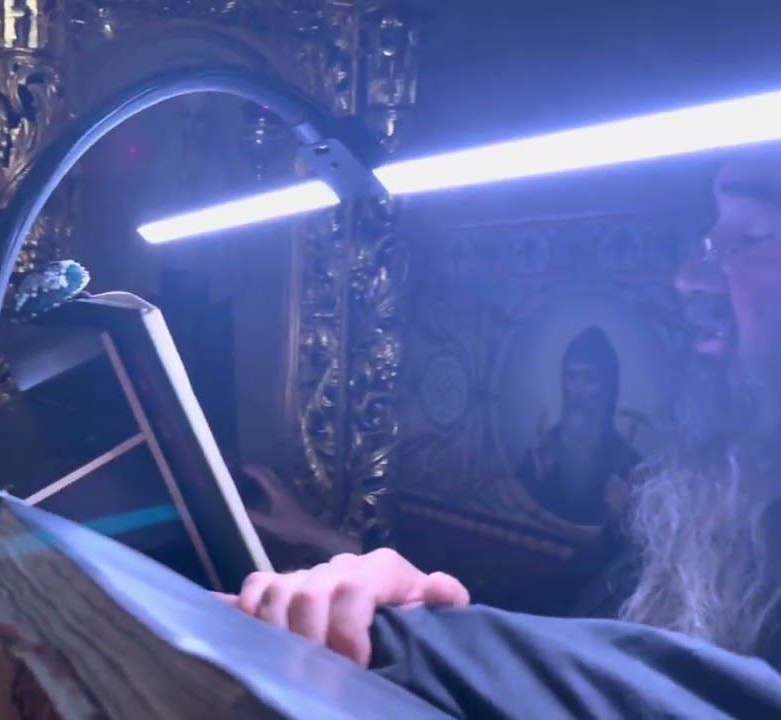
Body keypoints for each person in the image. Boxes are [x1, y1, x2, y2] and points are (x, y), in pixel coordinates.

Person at [226, 147, 781, 678]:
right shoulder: (692, 494)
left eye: (752, 236)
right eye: (710, 241)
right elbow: (547, 623)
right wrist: (364, 564)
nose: (690, 277)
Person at [516, 326, 641, 525]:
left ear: (608, 388)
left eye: (589, 379)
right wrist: (539, 481)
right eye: (572, 377)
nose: (578, 391)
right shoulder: (541, 453)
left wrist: (620, 512)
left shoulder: (628, 463)